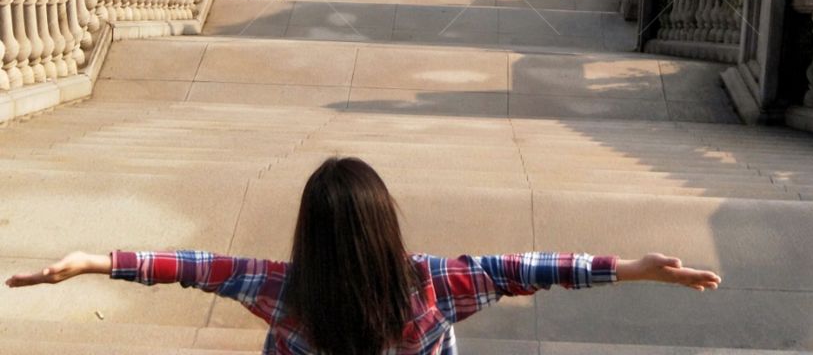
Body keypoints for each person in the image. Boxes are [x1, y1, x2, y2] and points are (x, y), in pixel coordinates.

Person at [4, 158, 719, 353]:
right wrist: (633, 268)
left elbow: (193, 268)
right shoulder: (436, 285)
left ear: (307, 234)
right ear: (385, 227)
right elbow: (529, 268)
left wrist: (95, 261)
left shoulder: (281, 289)